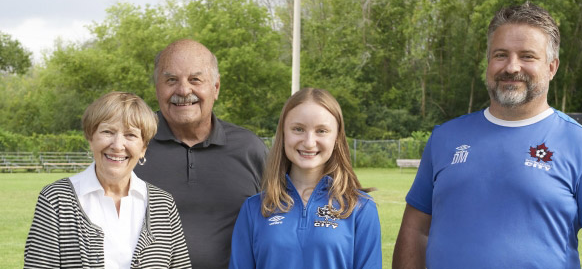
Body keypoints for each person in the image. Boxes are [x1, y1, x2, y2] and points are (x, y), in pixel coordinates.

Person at [393, 2, 582, 268]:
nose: (512, 67)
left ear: (552, 67)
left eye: (527, 56)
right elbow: (415, 231)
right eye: (501, 55)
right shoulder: (445, 138)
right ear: (488, 62)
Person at [134, 39, 267, 269]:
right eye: (171, 80)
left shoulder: (250, 149)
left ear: (215, 87)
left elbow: (281, 223)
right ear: (157, 88)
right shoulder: (132, 146)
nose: (184, 90)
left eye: (195, 79)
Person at [24, 91, 191, 268]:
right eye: (107, 131)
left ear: (143, 147)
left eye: (131, 135)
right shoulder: (56, 199)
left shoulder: (163, 204)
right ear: (91, 138)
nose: (118, 145)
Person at [229, 88, 382, 269]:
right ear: (283, 134)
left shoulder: (360, 209)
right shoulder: (255, 208)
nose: (309, 142)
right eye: (298, 129)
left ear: (337, 139)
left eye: (322, 131)